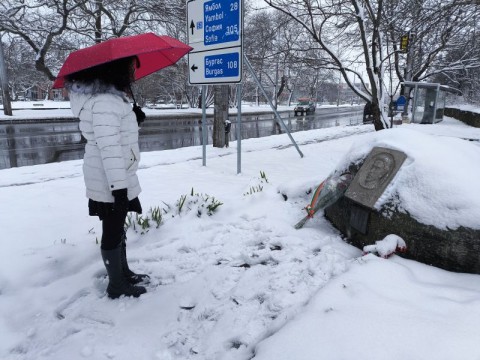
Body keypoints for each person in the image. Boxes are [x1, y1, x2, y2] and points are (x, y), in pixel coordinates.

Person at [65, 56, 149, 299]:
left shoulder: (112, 101)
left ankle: (123, 273)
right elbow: (110, 149)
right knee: (112, 228)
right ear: (116, 71)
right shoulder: (104, 103)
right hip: (109, 179)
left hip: (116, 175)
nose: (133, 72)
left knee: (117, 226)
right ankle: (116, 285)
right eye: (130, 67)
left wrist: (133, 117)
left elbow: (119, 138)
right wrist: (118, 189)